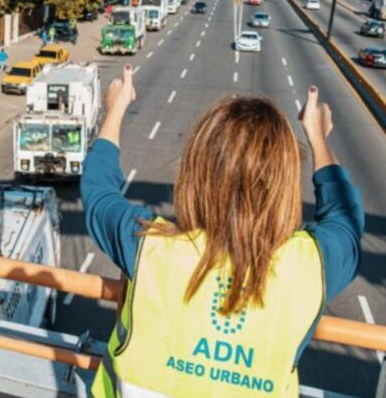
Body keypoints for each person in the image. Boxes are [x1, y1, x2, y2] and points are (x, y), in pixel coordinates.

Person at [81, 66, 364, 397]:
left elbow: (98, 190)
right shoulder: (309, 266)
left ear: (195, 173)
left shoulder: (150, 248)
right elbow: (345, 220)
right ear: (284, 186)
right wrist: (317, 136)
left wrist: (117, 106)